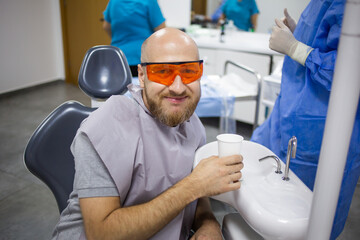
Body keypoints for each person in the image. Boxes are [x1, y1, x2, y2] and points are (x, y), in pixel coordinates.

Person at [51, 27, 244, 239]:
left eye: (189, 72)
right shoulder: (106, 127)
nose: (178, 88)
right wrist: (193, 186)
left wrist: (208, 224)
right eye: (162, 72)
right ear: (141, 77)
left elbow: (198, 197)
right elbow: (101, 234)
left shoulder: (192, 124)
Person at [251, 0, 360, 239]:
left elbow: (349, 69)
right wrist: (300, 32)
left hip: (321, 124)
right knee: (271, 186)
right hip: (292, 107)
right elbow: (330, 40)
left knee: (308, 212)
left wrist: (295, 48)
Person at [102, 0, 166, 77]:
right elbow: (161, 30)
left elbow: (106, 26)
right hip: (143, 57)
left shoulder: (113, 2)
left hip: (118, 58)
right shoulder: (149, 1)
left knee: (121, 87)